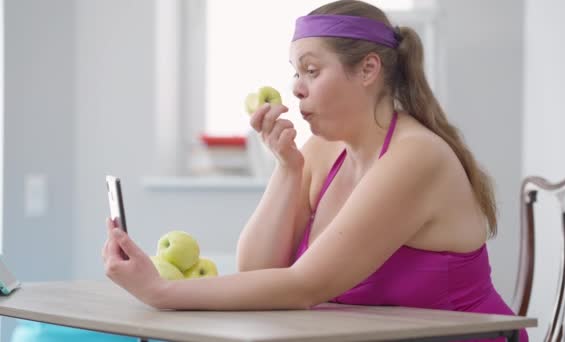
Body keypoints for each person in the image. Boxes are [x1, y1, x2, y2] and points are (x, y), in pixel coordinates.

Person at [102, 1, 528, 341]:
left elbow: (305, 285)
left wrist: (162, 292)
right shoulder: (324, 149)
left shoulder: (416, 157)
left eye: (311, 70)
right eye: (295, 73)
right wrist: (288, 169)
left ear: (367, 70)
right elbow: (257, 271)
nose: (295, 88)